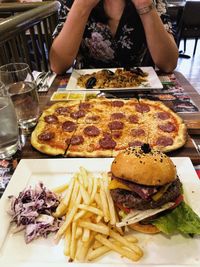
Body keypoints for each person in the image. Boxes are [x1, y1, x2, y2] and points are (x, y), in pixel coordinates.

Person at [49, 0, 179, 74]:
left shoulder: (154, 1)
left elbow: (168, 64)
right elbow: (58, 66)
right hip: (85, 92)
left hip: (140, 89)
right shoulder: (72, 2)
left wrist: (144, 4)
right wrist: (82, 6)